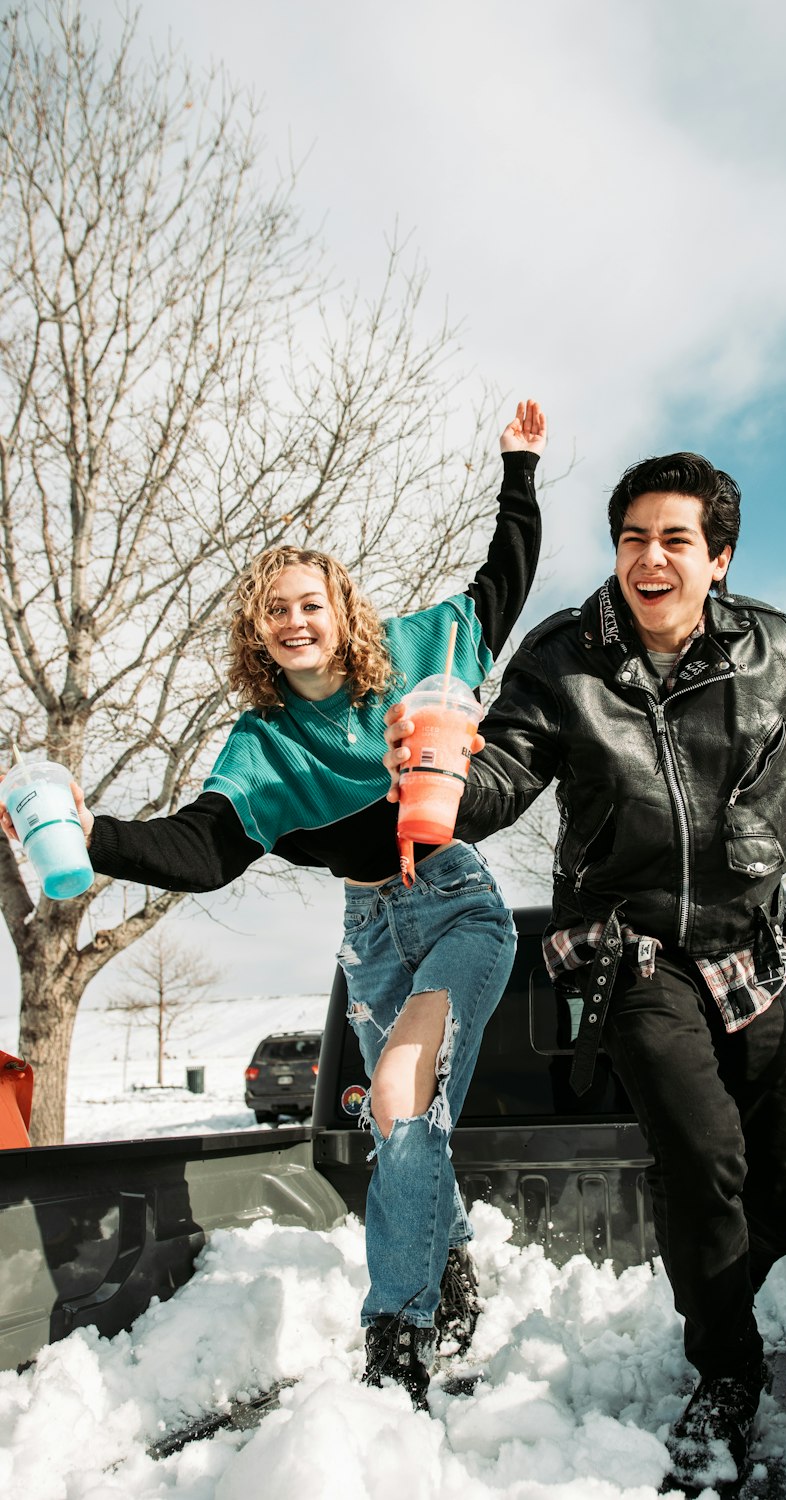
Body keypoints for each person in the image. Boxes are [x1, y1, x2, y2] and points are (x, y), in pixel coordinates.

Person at [384, 449, 786, 1487]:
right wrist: (439, 779)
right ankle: (725, 1372)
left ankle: (731, 1293)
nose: (649, 559)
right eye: (632, 540)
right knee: (701, 1155)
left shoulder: (775, 651)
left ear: (718, 558)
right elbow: (501, 776)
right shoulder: (563, 658)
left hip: (748, 947)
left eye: (674, 540)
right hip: (629, 951)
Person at [2, 400, 546, 1410]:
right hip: (368, 936)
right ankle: (452, 1262)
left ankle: (397, 1335)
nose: (295, 620)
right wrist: (91, 832)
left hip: (455, 906)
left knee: (399, 1096)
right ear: (257, 631)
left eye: (310, 601)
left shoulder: (424, 651)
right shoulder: (262, 746)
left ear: (341, 609)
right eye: (274, 610)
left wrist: (519, 471)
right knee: (405, 1130)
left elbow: (501, 580)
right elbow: (202, 851)